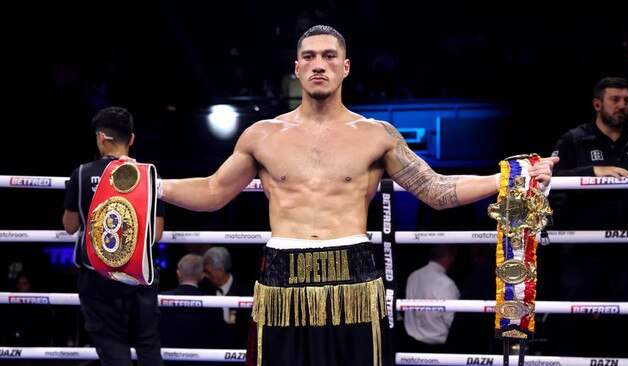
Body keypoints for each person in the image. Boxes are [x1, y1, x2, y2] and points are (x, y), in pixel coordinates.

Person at [142, 25, 557, 366]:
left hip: (354, 276)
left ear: (345, 67)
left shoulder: (376, 135)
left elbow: (436, 189)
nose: (318, 64)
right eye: (308, 56)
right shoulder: (262, 135)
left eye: (327, 56)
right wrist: (150, 186)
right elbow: (214, 191)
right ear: (297, 68)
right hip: (283, 276)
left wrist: (507, 177)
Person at [548, 76, 628, 357]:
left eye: (626, 100)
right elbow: (547, 177)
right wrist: (593, 171)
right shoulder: (574, 140)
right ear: (597, 103)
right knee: (574, 323)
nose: (622, 106)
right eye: (615, 99)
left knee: (622, 326)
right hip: (582, 250)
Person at [62, 106, 166, 365]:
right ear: (131, 139)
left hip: (97, 276)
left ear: (100, 137)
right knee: (148, 346)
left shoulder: (83, 173)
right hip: (139, 276)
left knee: (112, 348)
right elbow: (157, 233)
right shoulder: (149, 175)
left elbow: (70, 226)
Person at [159, 254, 230, 364]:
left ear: (178, 273)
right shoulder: (213, 304)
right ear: (202, 276)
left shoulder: (160, 299)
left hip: (167, 362)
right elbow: (221, 341)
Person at [403, 244, 460, 353]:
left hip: (410, 346)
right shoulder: (446, 284)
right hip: (437, 349)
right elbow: (452, 322)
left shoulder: (414, 276)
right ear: (450, 257)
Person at [201, 246, 252, 350]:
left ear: (221, 270)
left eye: (208, 271)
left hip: (238, 350)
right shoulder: (203, 289)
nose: (205, 275)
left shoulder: (244, 291)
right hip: (211, 350)